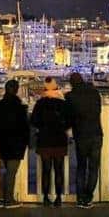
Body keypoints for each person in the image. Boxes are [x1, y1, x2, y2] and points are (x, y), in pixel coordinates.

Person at [0, 79, 29, 208]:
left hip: (3, 141)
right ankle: (9, 199)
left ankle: (2, 197)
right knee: (11, 171)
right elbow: (25, 126)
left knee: (7, 170)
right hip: (17, 143)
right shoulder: (20, 107)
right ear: (16, 90)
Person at [30, 77, 69, 208]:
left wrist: (42, 127)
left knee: (46, 170)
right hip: (59, 139)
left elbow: (34, 120)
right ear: (57, 88)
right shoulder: (63, 103)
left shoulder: (40, 103)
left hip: (45, 139)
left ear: (45, 89)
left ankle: (46, 198)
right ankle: (58, 198)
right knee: (59, 170)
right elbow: (70, 120)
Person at [65, 72, 102, 209]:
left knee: (81, 167)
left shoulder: (70, 97)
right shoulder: (94, 93)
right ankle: (88, 197)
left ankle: (80, 198)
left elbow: (68, 117)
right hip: (96, 134)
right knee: (93, 168)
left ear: (71, 83)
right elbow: (98, 110)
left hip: (81, 135)